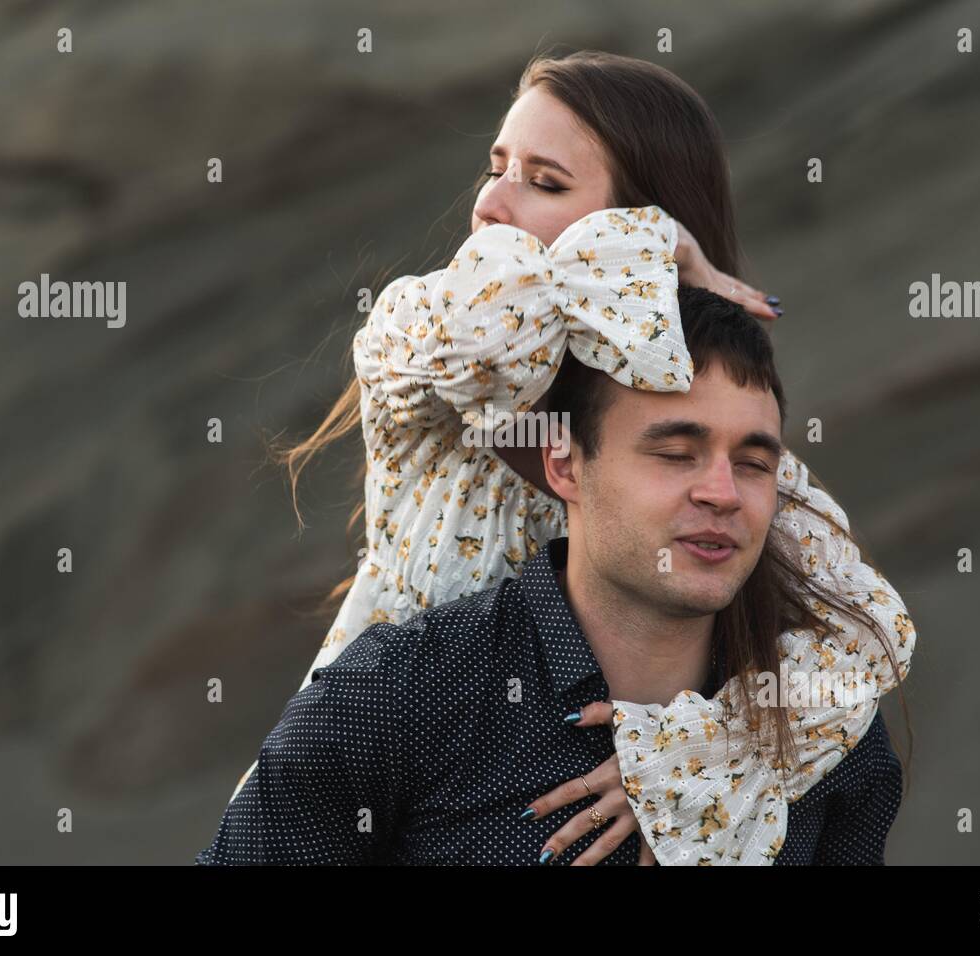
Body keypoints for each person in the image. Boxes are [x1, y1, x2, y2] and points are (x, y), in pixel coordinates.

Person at [216, 49, 915, 862]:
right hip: (382, 753)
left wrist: (692, 762)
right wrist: (657, 249)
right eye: (496, 167)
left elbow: (868, 640)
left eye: (545, 183)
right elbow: (489, 318)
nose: (490, 205)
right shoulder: (448, 369)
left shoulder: (717, 450)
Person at [196, 285, 911, 865]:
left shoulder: (826, 738)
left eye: (753, 463)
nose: (723, 492)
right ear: (565, 464)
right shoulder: (398, 695)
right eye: (676, 452)